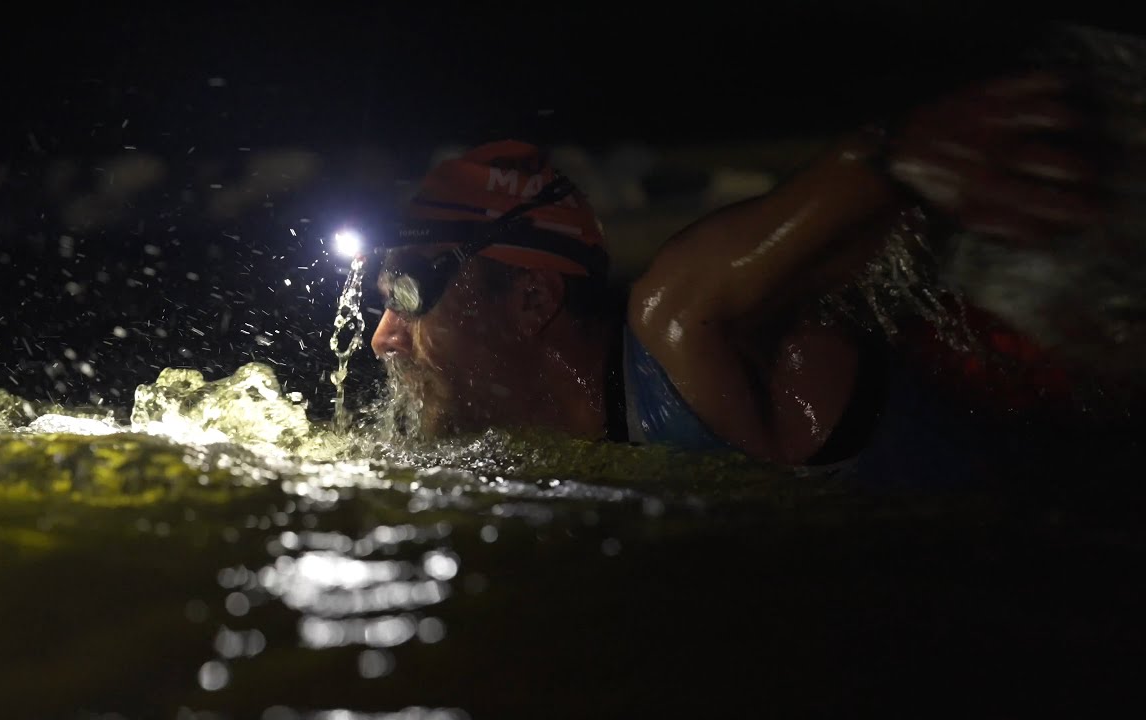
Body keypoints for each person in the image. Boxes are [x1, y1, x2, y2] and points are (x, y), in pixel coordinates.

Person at [368, 71, 1113, 480]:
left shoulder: (678, 330)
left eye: (408, 292)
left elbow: (831, 199)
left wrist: (904, 153)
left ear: (530, 298)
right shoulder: (574, 454)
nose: (383, 337)